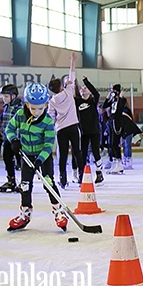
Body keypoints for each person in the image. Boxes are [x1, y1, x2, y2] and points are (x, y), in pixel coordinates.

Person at [6, 82, 67, 232]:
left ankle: (59, 211)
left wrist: (40, 160)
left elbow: (48, 144)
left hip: (43, 158)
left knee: (49, 183)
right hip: (26, 156)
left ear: (46, 105)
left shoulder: (47, 122)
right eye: (33, 108)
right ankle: (25, 213)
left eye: (40, 108)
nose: (36, 112)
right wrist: (14, 140)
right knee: (25, 185)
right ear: (27, 104)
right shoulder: (20, 115)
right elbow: (9, 128)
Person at [48, 54, 84, 188]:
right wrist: (72, 62)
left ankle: (63, 178)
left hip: (61, 129)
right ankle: (81, 175)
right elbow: (72, 75)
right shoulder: (69, 92)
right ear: (61, 86)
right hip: (73, 126)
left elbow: (50, 117)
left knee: (62, 154)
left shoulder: (52, 101)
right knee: (77, 151)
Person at [75, 76, 104, 184]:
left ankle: (99, 173)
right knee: (83, 154)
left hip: (95, 131)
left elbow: (96, 93)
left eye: (85, 88)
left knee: (96, 152)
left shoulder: (93, 100)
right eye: (82, 88)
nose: (83, 89)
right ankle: (81, 175)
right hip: (83, 132)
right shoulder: (77, 101)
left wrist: (86, 82)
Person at [0, 84, 22, 192]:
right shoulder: (6, 106)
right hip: (7, 138)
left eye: (6, 97)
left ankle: (24, 181)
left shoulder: (19, 107)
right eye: (3, 97)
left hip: (17, 139)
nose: (4, 99)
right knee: (7, 158)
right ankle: (11, 179)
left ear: (14, 96)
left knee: (20, 161)